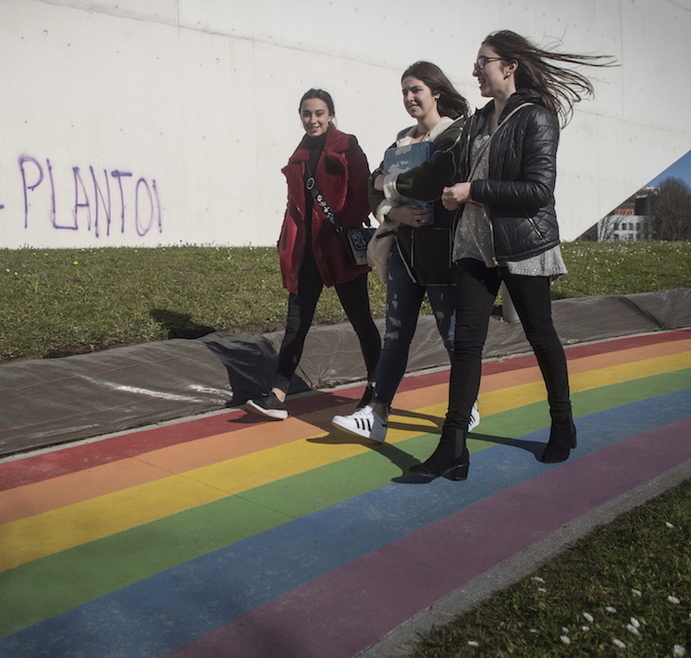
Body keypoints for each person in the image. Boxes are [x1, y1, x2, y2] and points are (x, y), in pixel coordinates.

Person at [409, 30, 615, 481]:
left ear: (509, 66)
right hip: (475, 244)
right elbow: (464, 174)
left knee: (541, 335)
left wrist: (475, 190)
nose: (474, 70)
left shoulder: (536, 117)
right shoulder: (480, 120)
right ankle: (453, 447)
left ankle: (563, 423)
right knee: (466, 345)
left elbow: (539, 191)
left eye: (482, 61)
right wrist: (452, 195)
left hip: (524, 244)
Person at [331, 61, 474, 443]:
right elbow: (370, 190)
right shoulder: (399, 143)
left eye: (416, 90)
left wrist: (386, 182)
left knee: (452, 334)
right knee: (395, 334)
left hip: (444, 252)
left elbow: (431, 179)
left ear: (436, 91)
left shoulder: (455, 135)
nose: (410, 98)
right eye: (405, 92)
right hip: (403, 252)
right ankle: (377, 415)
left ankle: (466, 405)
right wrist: (393, 210)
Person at [246, 89, 381, 420]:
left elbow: (363, 196)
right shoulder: (300, 154)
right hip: (308, 252)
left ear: (331, 114)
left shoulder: (347, 146)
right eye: (307, 113)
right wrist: (287, 241)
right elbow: (296, 205)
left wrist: (338, 230)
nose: (313, 119)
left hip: (340, 249)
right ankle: (277, 395)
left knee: (361, 320)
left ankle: (377, 388)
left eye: (319, 113)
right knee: (296, 323)